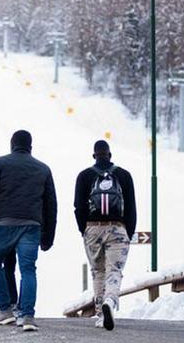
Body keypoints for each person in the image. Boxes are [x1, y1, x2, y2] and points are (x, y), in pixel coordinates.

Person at [0, 130, 57, 332]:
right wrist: (49, 236)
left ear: (12, 145)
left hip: (3, 224)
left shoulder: (0, 163)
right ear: (30, 146)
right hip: (32, 226)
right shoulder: (43, 169)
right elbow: (51, 206)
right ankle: (28, 316)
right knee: (28, 269)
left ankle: (5, 311)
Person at [73, 140, 136, 331]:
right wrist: (128, 231)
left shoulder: (84, 176)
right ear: (110, 154)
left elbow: (78, 207)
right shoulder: (124, 175)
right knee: (114, 271)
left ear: (94, 156)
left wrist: (84, 230)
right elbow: (131, 208)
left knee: (98, 271)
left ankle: (101, 314)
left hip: (92, 228)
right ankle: (110, 300)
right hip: (117, 228)